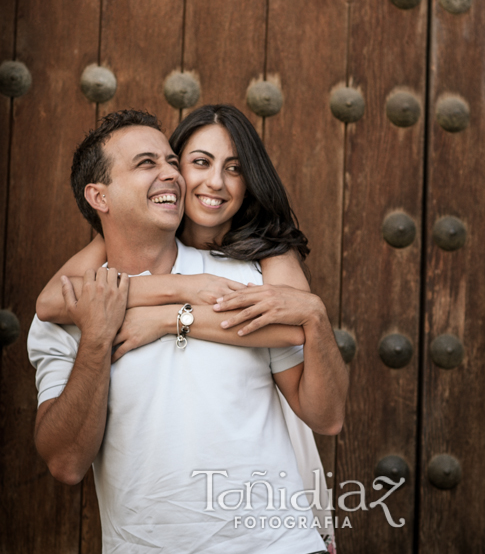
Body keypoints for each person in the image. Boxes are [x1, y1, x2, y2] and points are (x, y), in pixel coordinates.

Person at [28, 108, 348, 554]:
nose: (172, 175)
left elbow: (325, 410)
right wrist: (99, 337)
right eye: (147, 163)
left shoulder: (252, 275)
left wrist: (169, 317)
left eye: (171, 162)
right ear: (99, 197)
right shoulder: (73, 309)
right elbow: (64, 462)